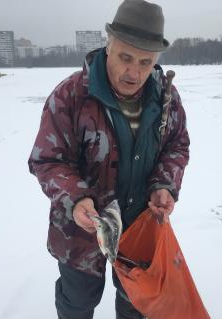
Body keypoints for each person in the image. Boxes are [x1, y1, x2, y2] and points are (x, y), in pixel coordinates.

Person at [28, 1, 190, 318]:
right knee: (77, 302)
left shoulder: (166, 97)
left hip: (140, 228)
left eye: (146, 62)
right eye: (125, 57)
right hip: (80, 233)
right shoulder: (70, 96)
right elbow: (47, 161)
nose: (134, 72)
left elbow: (177, 145)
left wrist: (165, 185)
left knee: (137, 303)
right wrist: (76, 200)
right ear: (108, 45)